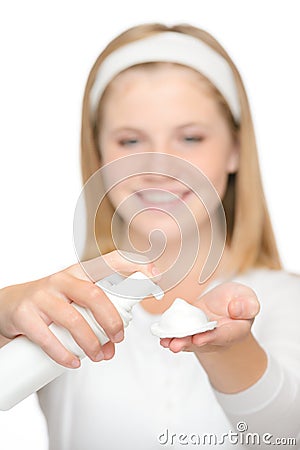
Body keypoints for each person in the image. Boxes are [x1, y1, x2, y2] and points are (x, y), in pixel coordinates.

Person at [1, 22, 300, 449]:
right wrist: (3, 313)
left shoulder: (289, 300)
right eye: (130, 139)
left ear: (235, 148)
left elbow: (286, 432)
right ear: (98, 153)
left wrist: (228, 349)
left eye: (191, 137)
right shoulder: (65, 309)